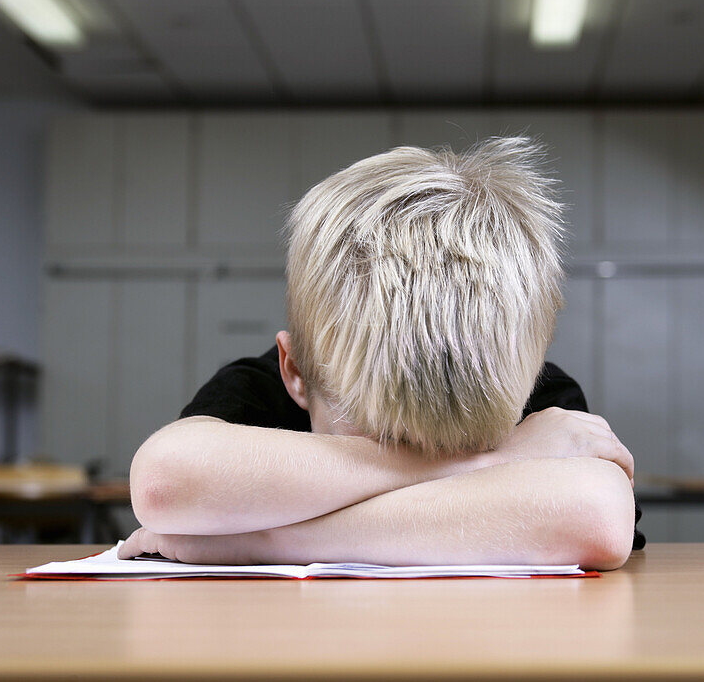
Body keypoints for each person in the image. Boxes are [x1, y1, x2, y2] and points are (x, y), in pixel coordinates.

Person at [119, 137, 643, 570]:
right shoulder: (262, 389)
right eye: (386, 440)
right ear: (295, 371)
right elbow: (165, 483)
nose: (420, 452)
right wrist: (498, 459)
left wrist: (261, 543)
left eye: (454, 445)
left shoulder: (534, 392)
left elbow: (597, 513)